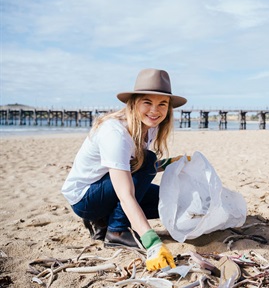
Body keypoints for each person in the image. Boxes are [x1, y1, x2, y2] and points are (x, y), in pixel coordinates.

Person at [61, 68, 188, 271]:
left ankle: (104, 220)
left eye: (162, 104)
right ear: (134, 103)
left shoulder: (150, 126)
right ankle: (116, 231)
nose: (155, 110)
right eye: (147, 102)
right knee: (148, 159)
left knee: (170, 201)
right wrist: (152, 243)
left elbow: (132, 167)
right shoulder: (115, 133)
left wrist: (171, 163)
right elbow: (126, 193)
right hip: (85, 199)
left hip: (110, 188)